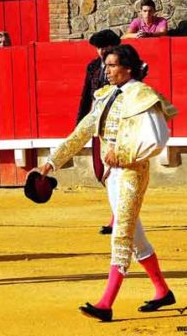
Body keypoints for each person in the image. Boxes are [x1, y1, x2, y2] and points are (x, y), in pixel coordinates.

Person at [41, 44, 178, 322]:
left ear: (128, 68)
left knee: (122, 236)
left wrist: (124, 154)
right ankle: (162, 291)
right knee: (136, 238)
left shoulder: (142, 95)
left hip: (131, 175)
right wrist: (52, 161)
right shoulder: (105, 96)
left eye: (113, 65)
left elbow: (157, 139)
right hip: (112, 175)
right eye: (107, 65)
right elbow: (81, 132)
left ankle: (106, 303)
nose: (107, 70)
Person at [76, 29, 121, 235]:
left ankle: (117, 218)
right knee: (99, 171)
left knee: (113, 173)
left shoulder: (123, 66)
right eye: (98, 47)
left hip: (116, 127)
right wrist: (80, 124)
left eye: (105, 47)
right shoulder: (93, 67)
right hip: (97, 125)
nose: (101, 51)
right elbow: (86, 95)